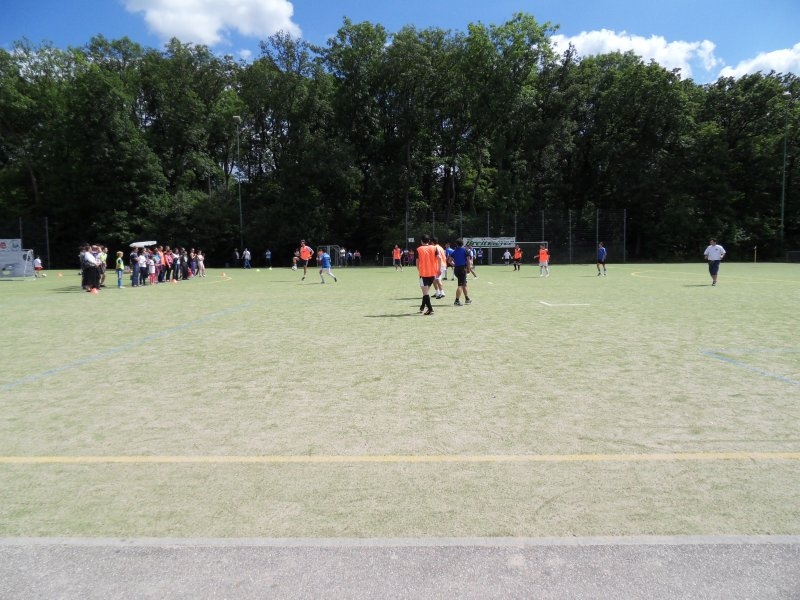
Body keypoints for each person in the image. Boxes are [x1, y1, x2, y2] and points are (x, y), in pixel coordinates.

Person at [416, 234, 440, 315]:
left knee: (425, 293)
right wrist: (438, 269)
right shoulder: (434, 248)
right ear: (429, 241)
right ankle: (422, 307)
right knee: (425, 292)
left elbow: (417, 262)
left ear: (421, 241)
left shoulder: (419, 249)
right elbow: (439, 258)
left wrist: (419, 270)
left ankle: (430, 309)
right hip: (432, 273)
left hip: (423, 274)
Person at [450, 238, 472, 306]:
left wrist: (455, 265)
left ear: (456, 244)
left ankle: (467, 299)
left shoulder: (454, 251)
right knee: (461, 285)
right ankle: (456, 301)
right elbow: (468, 261)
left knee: (464, 284)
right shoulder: (465, 250)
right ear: (462, 244)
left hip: (456, 269)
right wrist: (468, 268)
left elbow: (449, 261)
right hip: (462, 269)